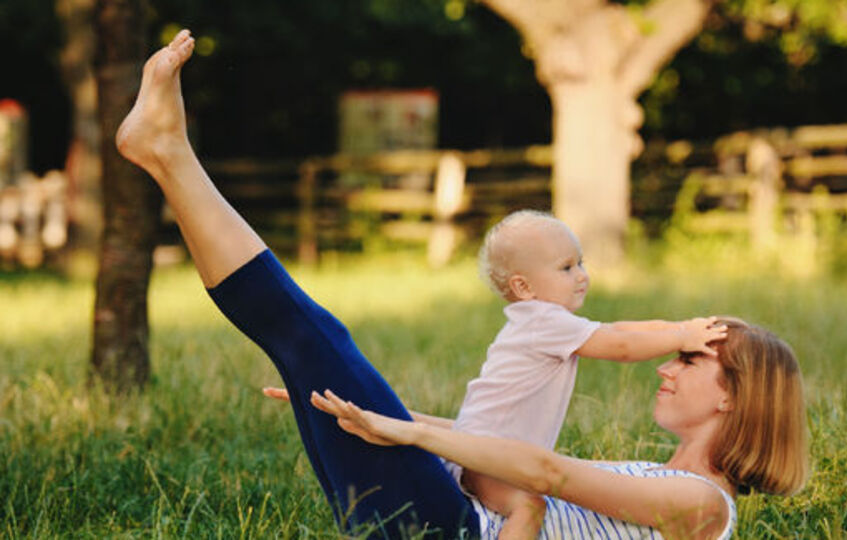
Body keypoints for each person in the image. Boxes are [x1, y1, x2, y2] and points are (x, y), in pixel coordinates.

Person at [117, 30, 809, 539]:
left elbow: (545, 476)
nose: (667, 364)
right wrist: (408, 420)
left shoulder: (705, 508)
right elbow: (510, 453)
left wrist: (408, 435)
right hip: (449, 515)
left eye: (690, 359)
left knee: (309, 333)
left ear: (735, 394)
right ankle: (167, 155)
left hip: (451, 526)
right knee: (305, 344)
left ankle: (170, 155)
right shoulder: (654, 476)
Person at [442, 209, 727, 539]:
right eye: (566, 267)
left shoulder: (542, 321)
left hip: (487, 454)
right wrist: (679, 338)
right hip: (485, 458)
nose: (581, 275)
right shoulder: (543, 322)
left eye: (581, 263)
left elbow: (619, 329)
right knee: (529, 507)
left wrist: (681, 327)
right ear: (523, 287)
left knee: (530, 503)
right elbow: (620, 346)